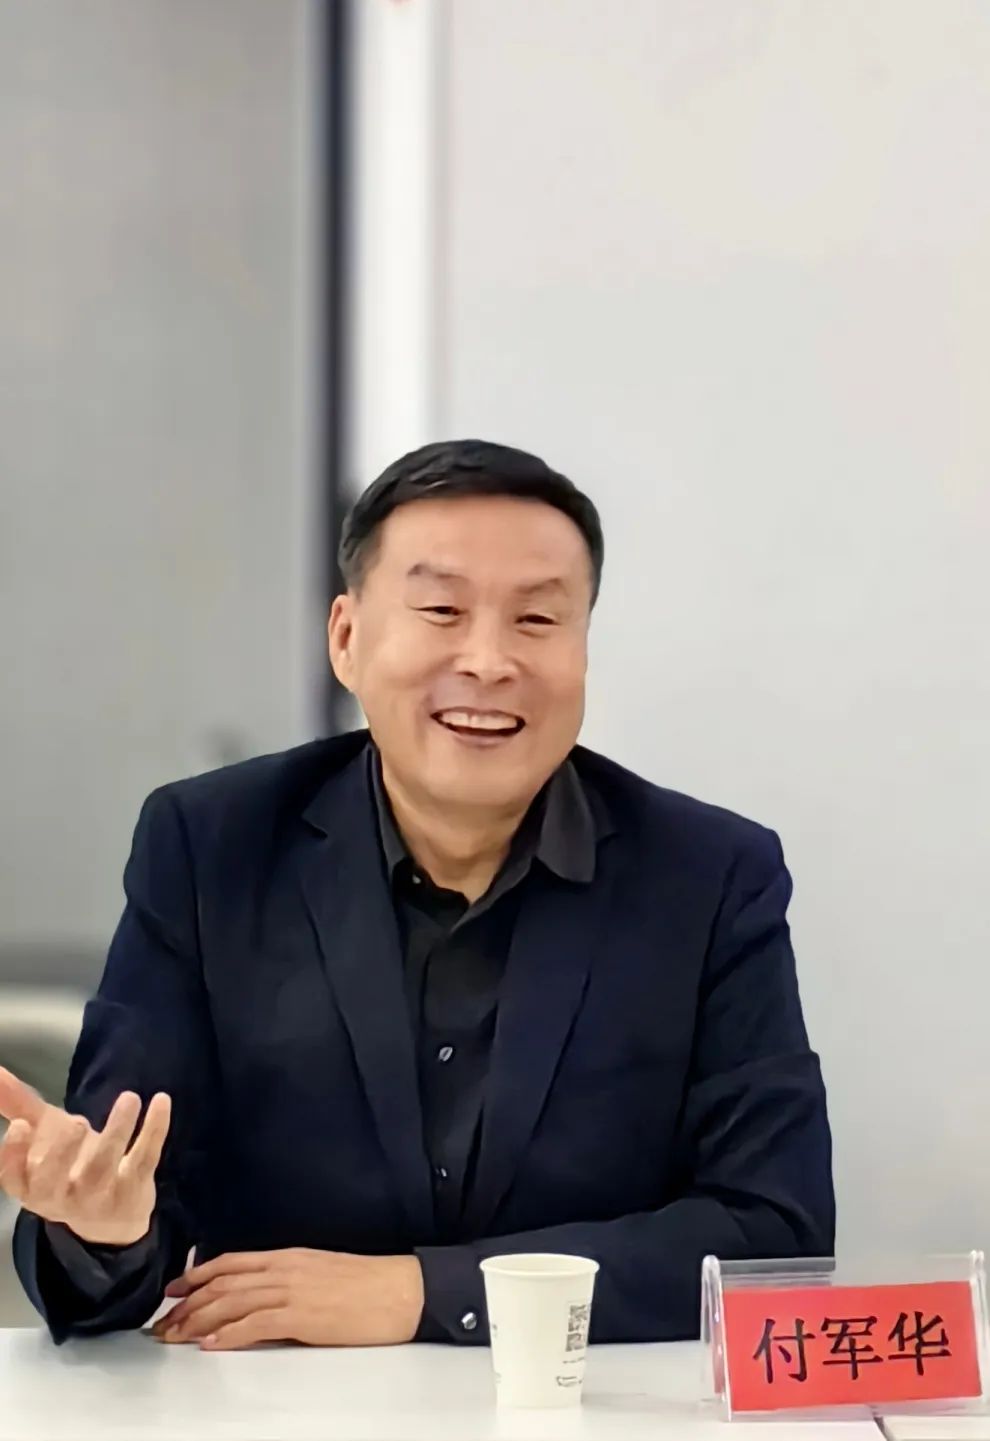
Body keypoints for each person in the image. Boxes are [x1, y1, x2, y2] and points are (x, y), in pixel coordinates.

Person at [0, 439, 833, 1350]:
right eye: (441, 610)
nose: (488, 660)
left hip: (588, 1402)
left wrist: (425, 1292)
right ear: (347, 638)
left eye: (537, 619)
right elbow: (120, 1205)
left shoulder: (710, 877)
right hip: (283, 1404)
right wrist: (103, 1231)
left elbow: (775, 1234)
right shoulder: (211, 847)